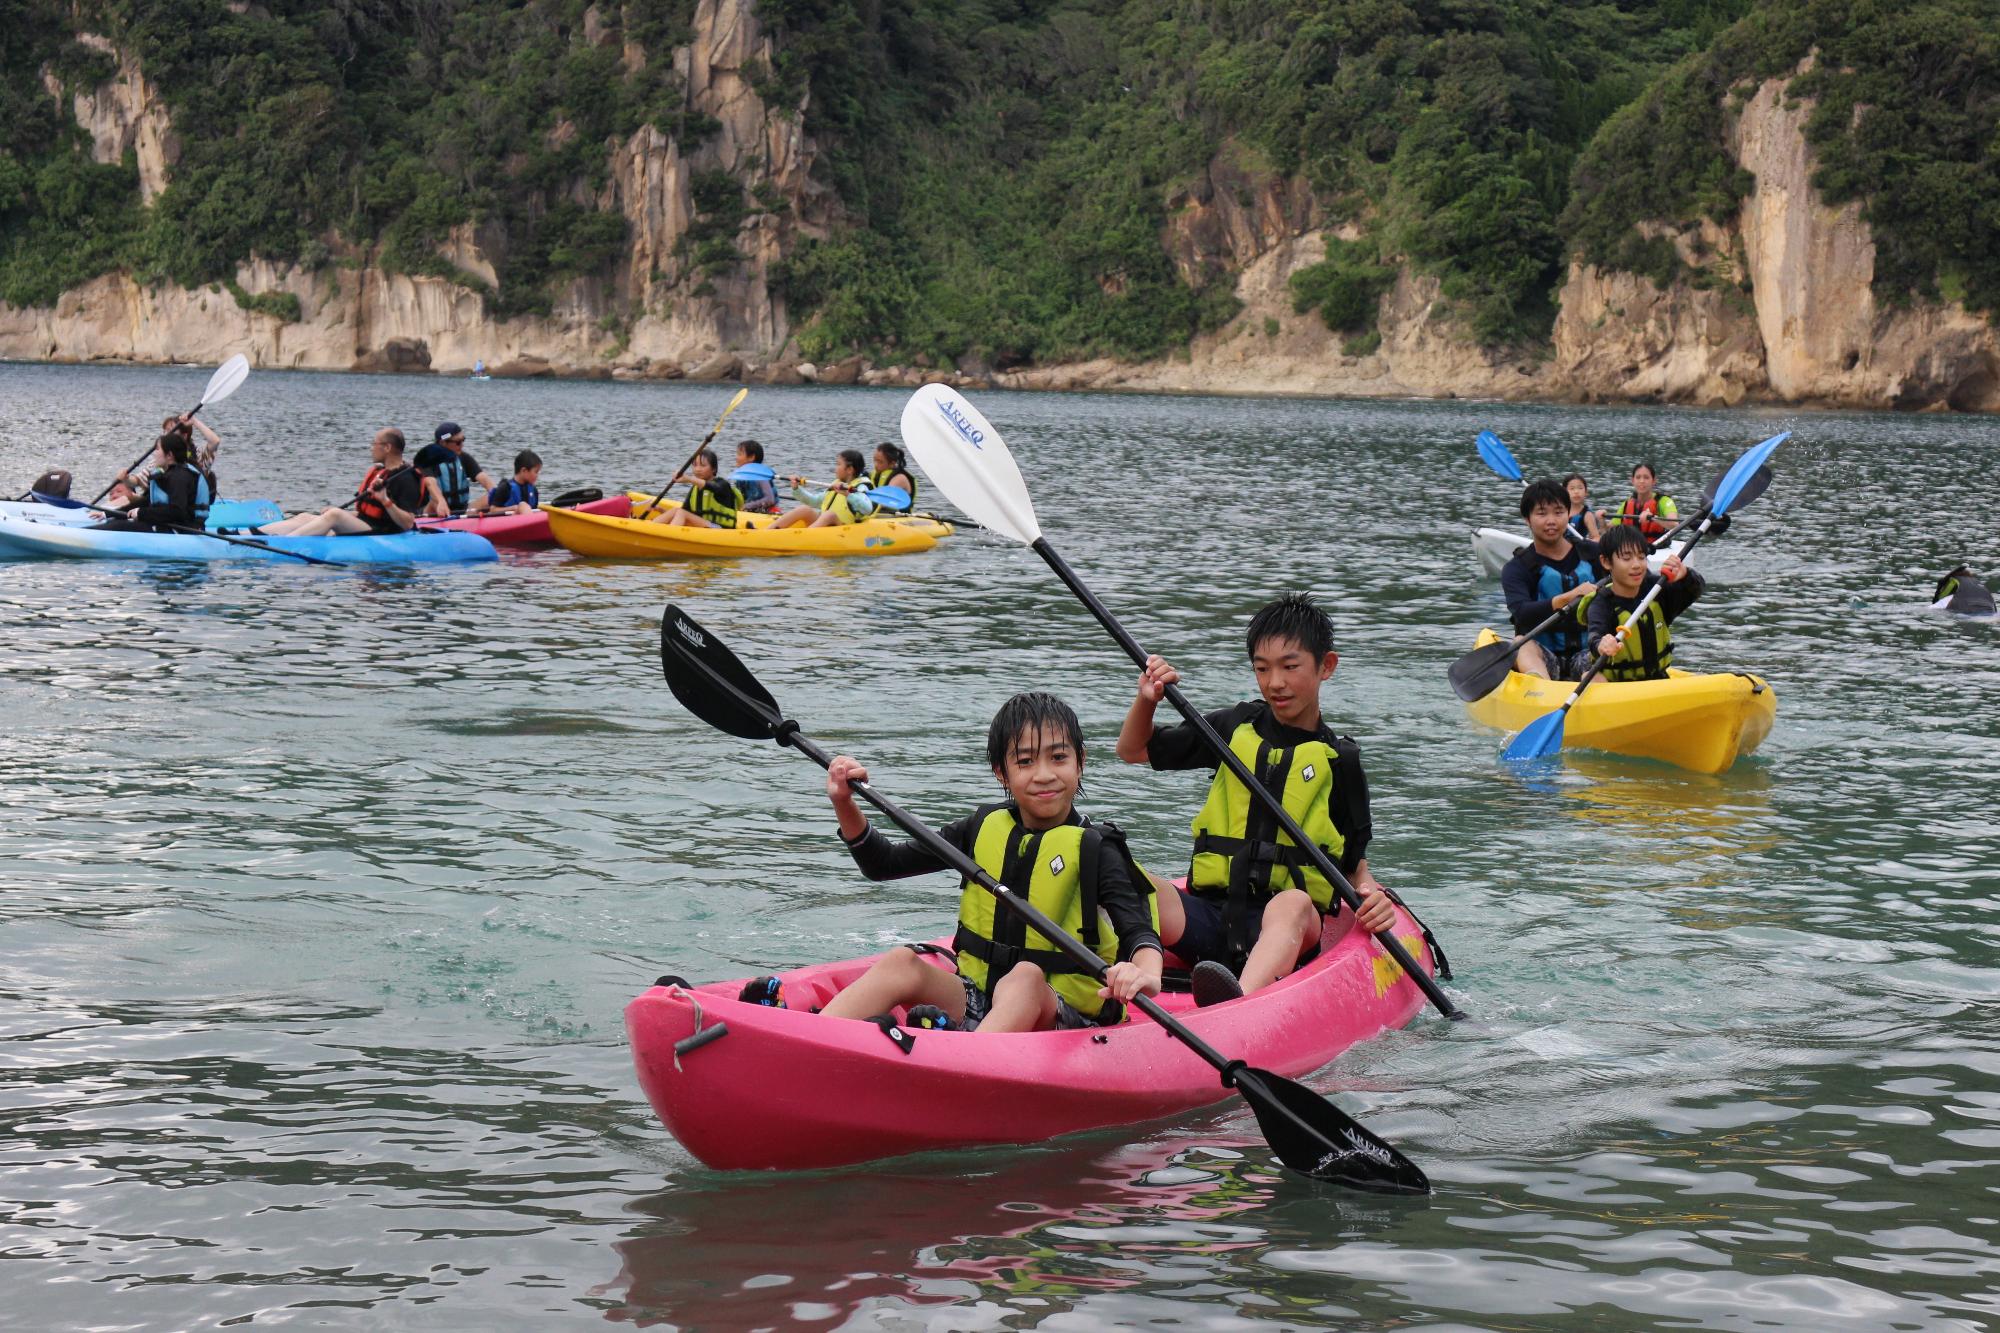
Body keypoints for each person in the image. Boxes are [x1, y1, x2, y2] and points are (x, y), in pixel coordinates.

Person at [804, 692, 1163, 1034]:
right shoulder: (981, 829)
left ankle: (956, 1067)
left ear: (1080, 761)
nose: (1044, 775)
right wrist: (844, 803)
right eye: (1025, 761)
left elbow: (1139, 934)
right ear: (1001, 772)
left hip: (1068, 1016)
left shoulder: (1097, 849)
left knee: (1024, 977)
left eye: (1058, 758)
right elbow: (883, 864)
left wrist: (1144, 975)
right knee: (902, 963)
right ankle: (812, 1038)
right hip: (981, 1000)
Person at [1116, 593, 1398, 1007]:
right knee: (1131, 880)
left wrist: (1372, 897)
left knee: (1294, 902)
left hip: (1287, 933)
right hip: (1212, 919)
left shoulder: (1341, 761)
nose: (1275, 683)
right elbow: (1133, 750)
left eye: (1290, 666)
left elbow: (1354, 866)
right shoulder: (1232, 727)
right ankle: (1138, 980)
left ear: (1326, 666)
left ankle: (1239, 1001)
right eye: (1262, 669)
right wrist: (1147, 699)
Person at [1501, 478, 1604, 679]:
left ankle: (1598, 692)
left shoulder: (1594, 554)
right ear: (1527, 519)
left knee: (1602, 656)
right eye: (1541, 513)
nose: (1551, 520)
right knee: (1520, 643)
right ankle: (1539, 688)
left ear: (1568, 514)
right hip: (1542, 655)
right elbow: (1522, 612)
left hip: (1587, 653)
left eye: (1558, 512)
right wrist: (1569, 597)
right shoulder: (1516, 568)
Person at [256, 429, 436, 537]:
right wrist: (345, 512)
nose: (371, 447)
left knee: (334, 515)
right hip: (366, 523)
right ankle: (249, 534)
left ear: (387, 448)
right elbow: (364, 511)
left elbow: (407, 523)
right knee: (305, 516)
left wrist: (385, 500)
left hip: (385, 531)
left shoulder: (406, 478)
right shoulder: (380, 471)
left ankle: (286, 544)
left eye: (375, 443)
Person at [1582, 525, 1703, 681]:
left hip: (1657, 678)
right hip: (1616, 684)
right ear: (1606, 562)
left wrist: (1685, 574)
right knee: (1590, 677)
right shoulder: (1601, 603)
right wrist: (1602, 645)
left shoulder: (1657, 590)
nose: (1637, 565)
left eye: (1641, 557)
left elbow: (1695, 589)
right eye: (1626, 558)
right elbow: (1594, 636)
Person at [100, 432, 211, 531]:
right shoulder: (167, 474)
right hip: (168, 525)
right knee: (115, 523)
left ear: (169, 455)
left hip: (185, 530)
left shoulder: (180, 477)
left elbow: (177, 512)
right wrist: (108, 514)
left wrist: (140, 513)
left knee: (120, 526)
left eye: (157, 449)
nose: (154, 453)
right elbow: (147, 503)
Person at [774, 449, 876, 528]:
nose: (835, 468)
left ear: (849, 469)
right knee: (804, 509)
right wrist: (796, 489)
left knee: (829, 515)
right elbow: (814, 501)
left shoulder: (861, 486)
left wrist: (848, 494)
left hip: (843, 529)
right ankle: (767, 532)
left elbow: (867, 509)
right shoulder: (836, 484)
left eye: (838, 464)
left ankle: (802, 538)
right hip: (826, 526)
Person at [413, 422, 495, 516]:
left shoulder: (463, 458)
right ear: (443, 443)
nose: (462, 445)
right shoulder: (427, 461)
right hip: (433, 511)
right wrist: (441, 501)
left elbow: (484, 479)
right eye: (458, 442)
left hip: (461, 510)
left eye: (463, 440)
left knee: (492, 496)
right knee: (434, 502)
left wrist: (497, 494)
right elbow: (430, 483)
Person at [658, 448, 743, 528]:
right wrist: (660, 510)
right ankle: (654, 529)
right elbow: (680, 514)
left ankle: (671, 537)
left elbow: (712, 487)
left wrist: (689, 479)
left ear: (713, 469)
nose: (697, 469)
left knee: (681, 512)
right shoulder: (695, 488)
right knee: (676, 510)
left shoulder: (722, 484)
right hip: (703, 526)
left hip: (720, 529)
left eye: (703, 466)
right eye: (695, 465)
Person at [1610, 462, 1678, 541]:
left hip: (1656, 548)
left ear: (1654, 481)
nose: (1641, 481)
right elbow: (1610, 529)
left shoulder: (1664, 501)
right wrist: (1602, 522)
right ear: (1632, 480)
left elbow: (1674, 524)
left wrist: (1653, 518)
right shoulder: (1626, 504)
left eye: (1646, 477)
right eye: (1638, 477)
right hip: (1630, 549)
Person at [485, 451, 543, 515]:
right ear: (524, 471)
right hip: (506, 521)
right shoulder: (505, 488)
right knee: (523, 505)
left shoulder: (534, 490)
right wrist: (512, 508)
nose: (537, 475)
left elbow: (535, 509)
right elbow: (493, 510)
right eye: (536, 472)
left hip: (527, 519)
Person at [732, 440, 779, 514]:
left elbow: (770, 499)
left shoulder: (760, 476)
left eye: (739, 454)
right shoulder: (742, 475)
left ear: (751, 457)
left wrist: (747, 506)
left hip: (768, 513)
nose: (736, 458)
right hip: (751, 512)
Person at [870, 441, 918, 510]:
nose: (876, 465)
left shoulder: (900, 478)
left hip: (899, 517)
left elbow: (884, 500)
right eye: (875, 460)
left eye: (880, 462)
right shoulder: (873, 474)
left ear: (892, 463)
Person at [1562, 473, 1605, 543]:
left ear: (1586, 492)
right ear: (1564, 492)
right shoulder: (1559, 511)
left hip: (1577, 551)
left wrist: (1584, 542)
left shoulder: (1587, 515)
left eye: (1580, 488)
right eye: (1572, 488)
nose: (1576, 492)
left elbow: (1596, 538)